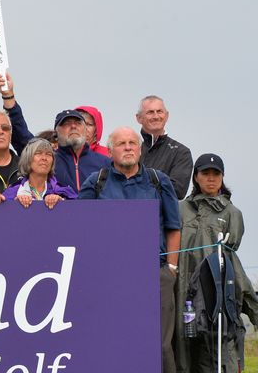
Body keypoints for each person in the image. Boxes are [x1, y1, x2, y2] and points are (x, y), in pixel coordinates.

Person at [78, 126, 180, 373]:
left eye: (132, 143)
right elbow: (81, 227)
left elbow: (173, 227)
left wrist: (172, 269)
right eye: (121, 144)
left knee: (160, 346)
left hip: (154, 273)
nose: (128, 148)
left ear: (140, 148)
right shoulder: (97, 182)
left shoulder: (158, 181)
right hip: (109, 277)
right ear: (110, 151)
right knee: (113, 339)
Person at [173, 153, 258, 373]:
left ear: (222, 177)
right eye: (205, 173)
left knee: (213, 349)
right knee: (181, 353)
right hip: (181, 289)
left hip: (214, 290)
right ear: (196, 178)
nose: (211, 178)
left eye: (216, 174)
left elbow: (232, 261)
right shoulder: (180, 209)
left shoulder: (232, 213)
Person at [0, 72, 110, 192]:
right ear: (56, 134)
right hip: (58, 211)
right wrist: (8, 96)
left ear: (85, 129)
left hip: (96, 211)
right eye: (66, 124)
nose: (73, 126)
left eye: (78, 123)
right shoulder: (48, 159)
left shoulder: (105, 162)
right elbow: (21, 135)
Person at [136, 95, 193, 199]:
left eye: (159, 111)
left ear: (167, 116)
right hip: (127, 212)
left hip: (161, 214)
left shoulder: (181, 152)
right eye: (150, 112)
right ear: (139, 118)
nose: (156, 116)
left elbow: (177, 190)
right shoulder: (130, 149)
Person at [3, 138, 76, 209]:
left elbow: (78, 211)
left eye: (48, 154)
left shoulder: (63, 191)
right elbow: (0, 215)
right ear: (27, 159)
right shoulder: (13, 192)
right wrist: (14, 205)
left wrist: (62, 203)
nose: (44, 158)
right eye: (38, 153)